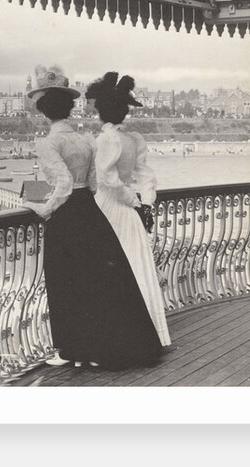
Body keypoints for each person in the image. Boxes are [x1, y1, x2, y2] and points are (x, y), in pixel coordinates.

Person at [23, 69, 162, 370]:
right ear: (68, 108)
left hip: (66, 213)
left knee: (65, 282)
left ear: (44, 111)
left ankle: (71, 349)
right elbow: (93, 182)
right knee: (94, 283)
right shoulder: (87, 140)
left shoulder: (47, 143)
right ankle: (96, 348)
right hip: (90, 210)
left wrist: (43, 209)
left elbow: (61, 183)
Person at [85, 71, 171, 350]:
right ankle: (144, 333)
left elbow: (107, 179)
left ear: (102, 113)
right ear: (123, 112)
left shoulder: (106, 140)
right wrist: (145, 203)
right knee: (135, 267)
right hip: (129, 212)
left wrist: (134, 202)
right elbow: (146, 176)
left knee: (105, 270)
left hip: (109, 208)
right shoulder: (134, 139)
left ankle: (110, 337)